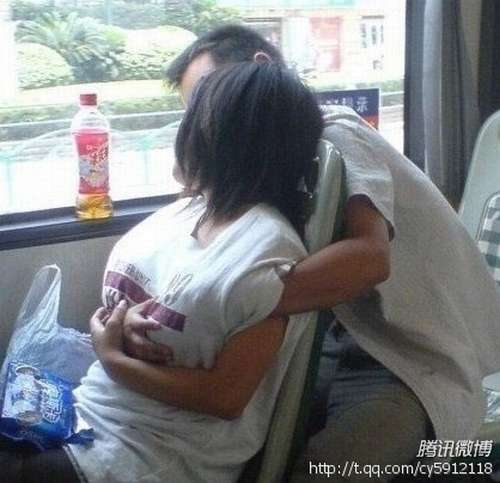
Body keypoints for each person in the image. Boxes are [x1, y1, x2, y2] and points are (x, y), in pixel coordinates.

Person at [119, 25, 500, 482]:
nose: (207, 117)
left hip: (411, 357)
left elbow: (369, 259)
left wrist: (213, 309)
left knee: (326, 467)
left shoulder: (336, 133)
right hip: (333, 339)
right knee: (256, 443)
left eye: (210, 94)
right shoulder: (256, 168)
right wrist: (153, 312)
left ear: (260, 69)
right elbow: (199, 260)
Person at [0, 62, 324, 482]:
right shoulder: (190, 211)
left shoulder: (268, 251)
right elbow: (156, 304)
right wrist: (115, 323)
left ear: (220, 139)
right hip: (91, 415)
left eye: (192, 119)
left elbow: (225, 397)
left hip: (150, 457)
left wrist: (112, 358)